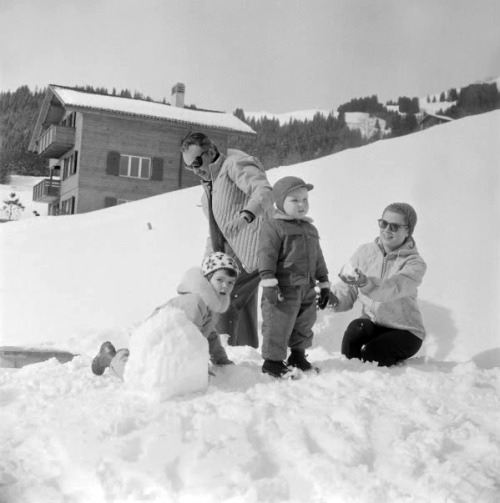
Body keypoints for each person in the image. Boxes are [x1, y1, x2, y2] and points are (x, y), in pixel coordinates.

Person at [180, 132, 273, 348]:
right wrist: (207, 265)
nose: (195, 170)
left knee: (221, 298)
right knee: (242, 304)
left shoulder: (233, 165)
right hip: (240, 258)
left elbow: (263, 190)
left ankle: (222, 353)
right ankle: (244, 355)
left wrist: (246, 215)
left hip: (260, 249)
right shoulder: (208, 193)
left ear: (210, 152)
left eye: (197, 162)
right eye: (189, 167)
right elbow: (216, 234)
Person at [91, 252, 240, 377]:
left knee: (164, 372)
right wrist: (199, 368)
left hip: (169, 346)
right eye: (220, 280)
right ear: (207, 279)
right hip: (154, 336)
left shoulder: (211, 305)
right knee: (141, 376)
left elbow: (209, 334)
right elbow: (188, 337)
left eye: (230, 282)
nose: (225, 286)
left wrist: (220, 359)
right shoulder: (195, 302)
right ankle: (110, 357)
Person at [330, 202, 426, 367]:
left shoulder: (414, 264)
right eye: (383, 223)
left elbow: (392, 289)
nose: (387, 229)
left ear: (408, 231)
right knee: (353, 338)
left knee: (371, 354)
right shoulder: (365, 252)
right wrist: (332, 299)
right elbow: (348, 287)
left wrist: (366, 283)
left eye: (394, 226)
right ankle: (351, 383)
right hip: (374, 324)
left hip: (405, 331)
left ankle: (386, 378)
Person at [258, 176, 331, 378]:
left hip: (306, 287)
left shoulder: (310, 229)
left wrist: (324, 282)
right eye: (294, 200)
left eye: (305, 199)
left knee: (304, 323)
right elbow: (266, 255)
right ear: (280, 202)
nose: (301, 204)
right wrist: (269, 283)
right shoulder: (274, 227)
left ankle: (297, 356)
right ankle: (272, 362)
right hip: (283, 289)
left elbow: (318, 257)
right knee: (278, 324)